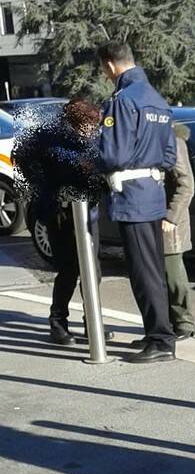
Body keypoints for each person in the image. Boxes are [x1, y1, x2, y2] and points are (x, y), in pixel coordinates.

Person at [97, 40, 177, 363]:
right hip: (153, 194)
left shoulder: (122, 101)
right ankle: (156, 332)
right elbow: (169, 156)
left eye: (104, 70)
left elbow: (113, 153)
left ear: (110, 66)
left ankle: (161, 340)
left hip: (132, 198)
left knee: (142, 270)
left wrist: (94, 154)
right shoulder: (157, 100)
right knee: (153, 268)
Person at [12, 99, 113, 345]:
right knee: (69, 269)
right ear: (74, 124)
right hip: (61, 214)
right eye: (87, 126)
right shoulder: (51, 140)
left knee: (93, 271)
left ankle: (93, 324)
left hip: (87, 213)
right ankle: (58, 323)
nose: (91, 131)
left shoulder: (89, 140)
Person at [162, 122, 195, 339]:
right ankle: (167, 323)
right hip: (155, 217)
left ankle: (184, 323)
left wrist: (171, 217)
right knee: (161, 276)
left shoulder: (173, 139)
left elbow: (186, 185)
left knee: (174, 275)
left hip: (168, 222)